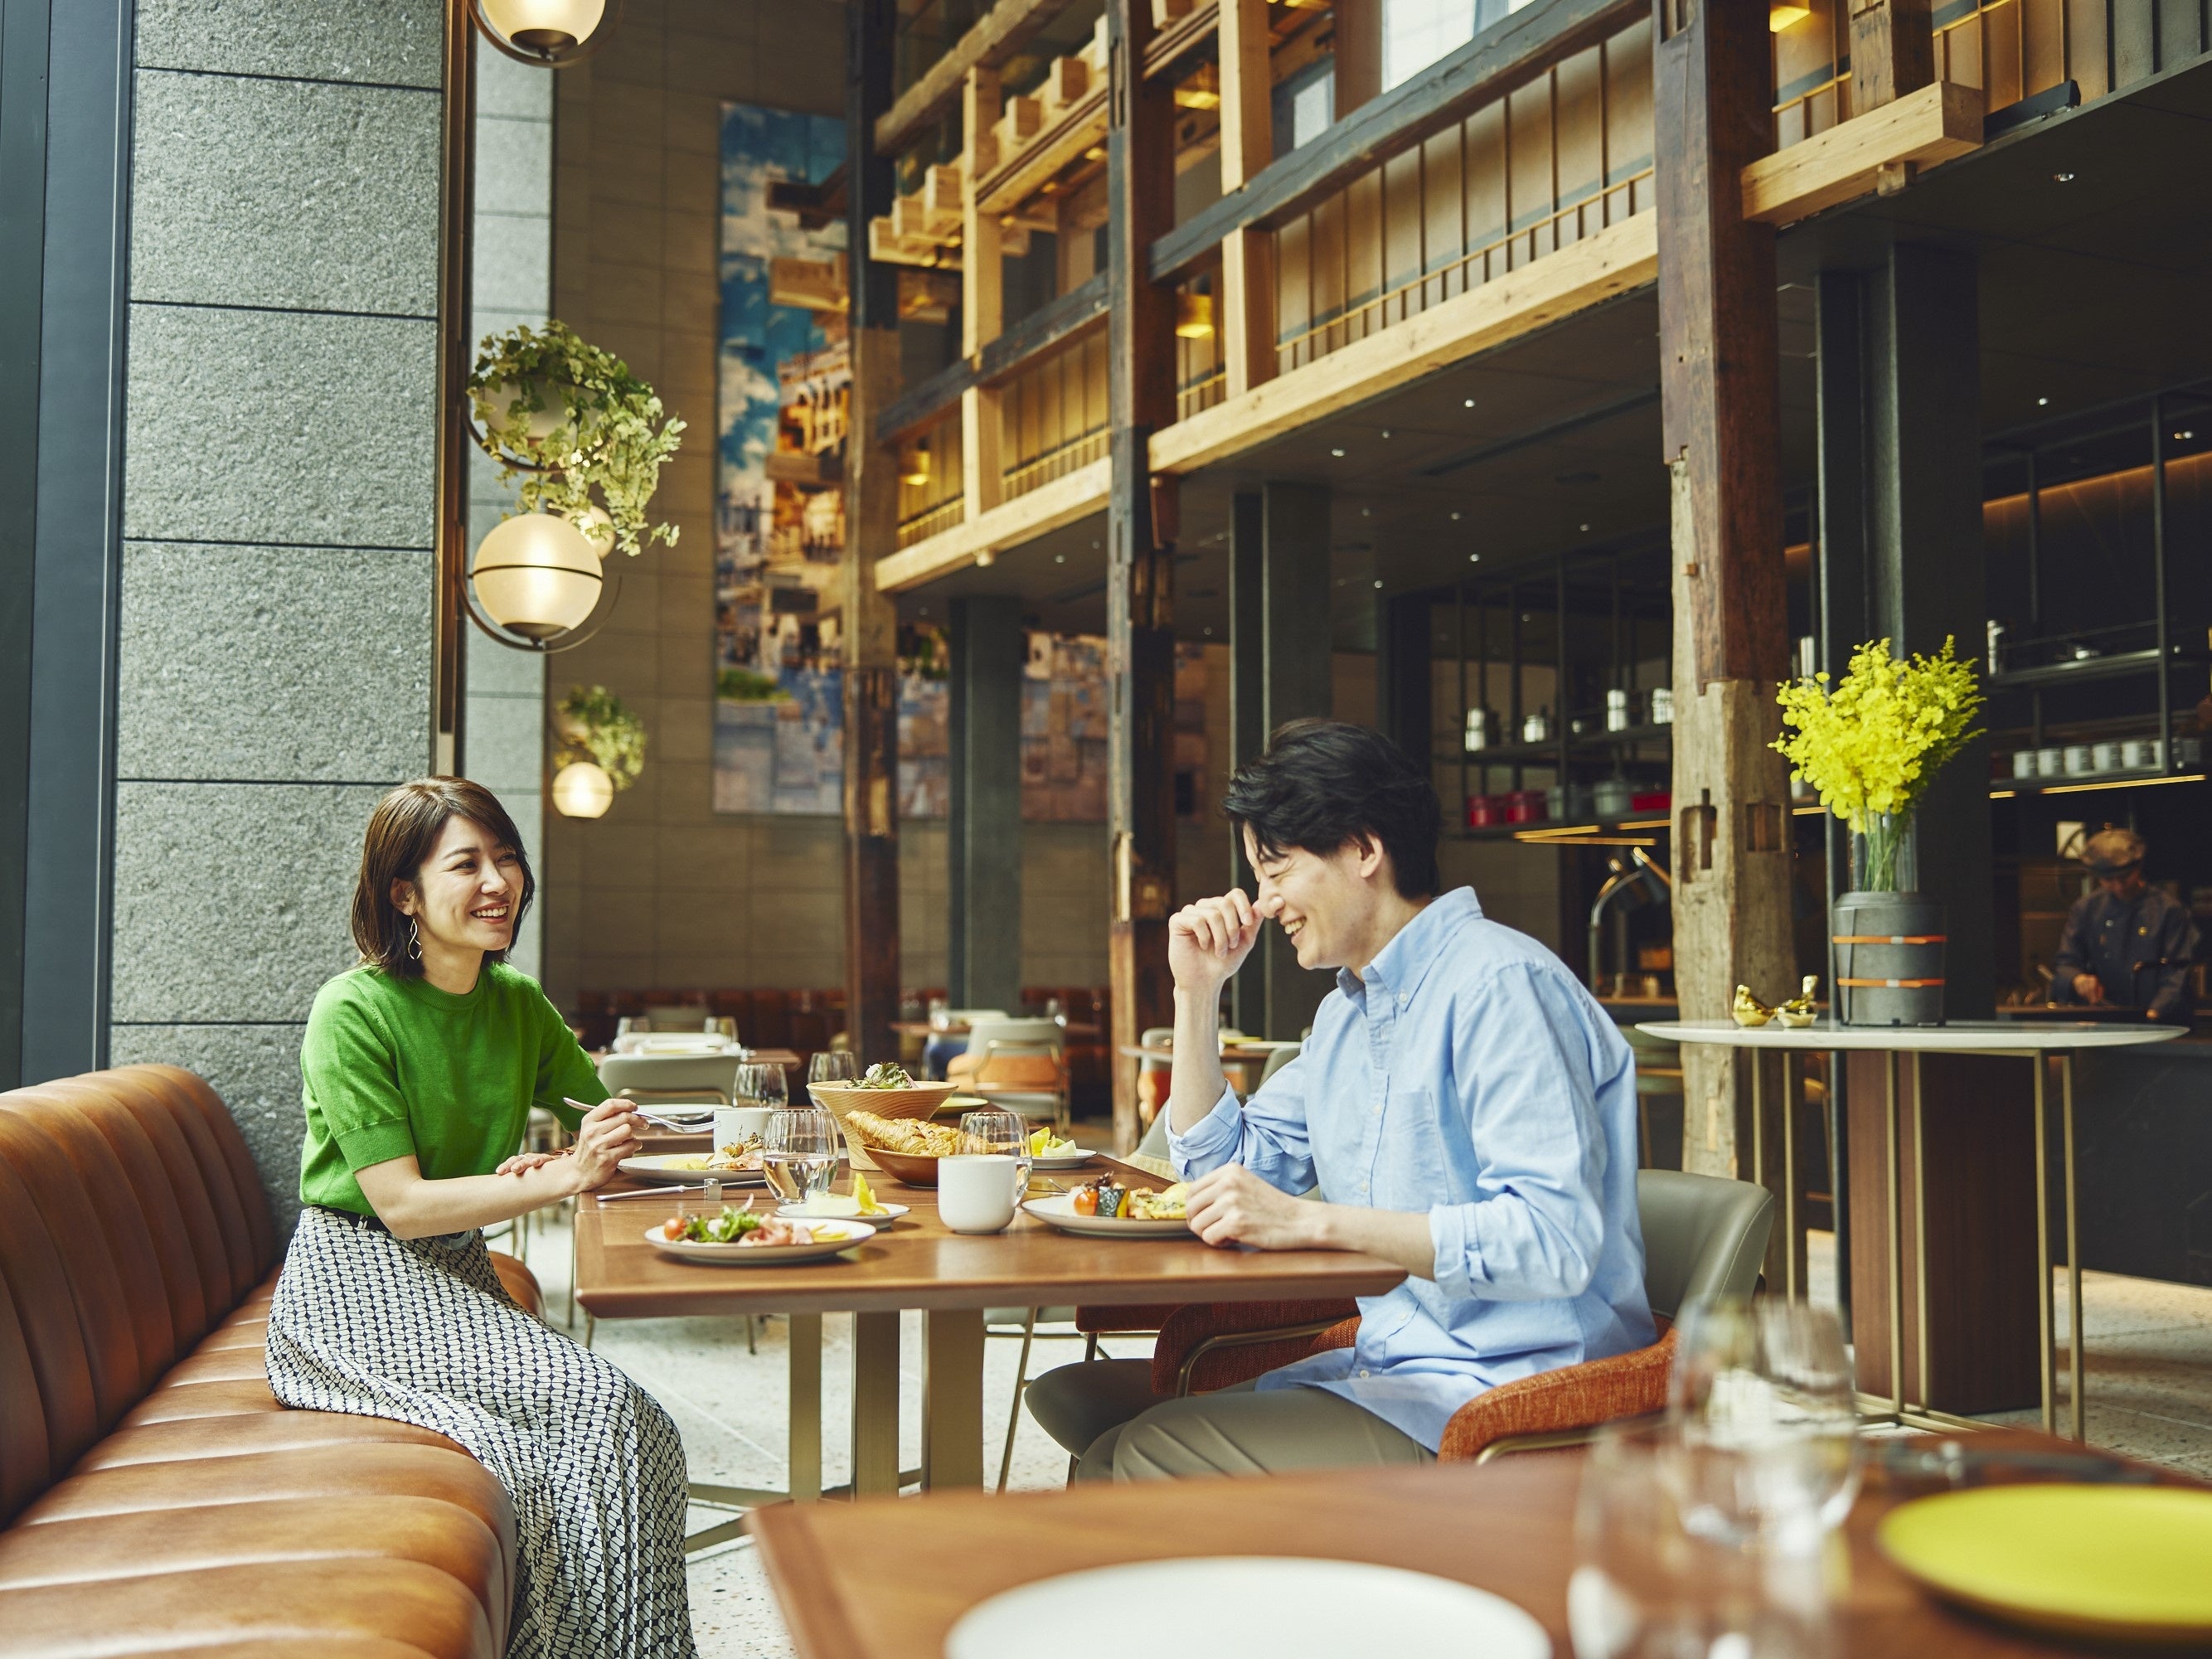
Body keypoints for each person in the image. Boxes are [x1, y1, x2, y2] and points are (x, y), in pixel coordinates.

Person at [1028, 720, 1652, 1480]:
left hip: (1509, 1405)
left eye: (1276, 869)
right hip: (1394, 1374)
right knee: (1108, 1449)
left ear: (1363, 848)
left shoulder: (1499, 985)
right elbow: (1217, 1175)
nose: (1260, 904)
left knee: (1147, 1455)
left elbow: (1553, 1238)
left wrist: (1311, 1220)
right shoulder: (1345, 1014)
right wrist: (1198, 996)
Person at [264, 778, 696, 1658]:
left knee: (617, 1432)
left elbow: (612, 1122)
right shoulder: (350, 1011)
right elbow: (402, 1205)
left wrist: (636, 1140)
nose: (499, 881)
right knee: (606, 1411)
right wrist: (560, 1178)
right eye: (467, 863)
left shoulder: (517, 1003)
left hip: (452, 1270)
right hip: (351, 1288)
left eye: (507, 859)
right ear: (404, 894)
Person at [2050, 827, 2199, 1021]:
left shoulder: (2169, 909)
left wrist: (2155, 1011)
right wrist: (2077, 979)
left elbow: (2179, 970)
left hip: (2161, 1020)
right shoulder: (2086, 908)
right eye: (2109, 880)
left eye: (2124, 877)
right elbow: (2066, 962)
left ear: (2139, 867)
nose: (2118, 886)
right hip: (2105, 1019)